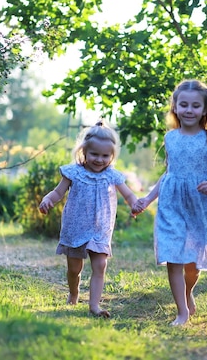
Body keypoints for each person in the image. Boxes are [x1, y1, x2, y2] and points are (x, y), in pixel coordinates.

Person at [133, 79, 207, 326]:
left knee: (192, 265)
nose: (189, 110)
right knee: (174, 256)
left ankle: (188, 291)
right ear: (175, 108)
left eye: (195, 106)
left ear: (204, 110)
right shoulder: (170, 137)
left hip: (199, 204)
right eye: (184, 105)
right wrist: (148, 198)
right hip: (172, 204)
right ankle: (182, 311)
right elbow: (169, 174)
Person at [39, 120, 138, 318]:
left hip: (101, 228)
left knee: (100, 265)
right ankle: (73, 293)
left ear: (112, 156)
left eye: (105, 156)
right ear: (83, 151)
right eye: (94, 154)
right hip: (76, 226)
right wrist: (48, 199)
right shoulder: (73, 173)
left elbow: (128, 195)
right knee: (74, 268)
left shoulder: (112, 176)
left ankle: (94, 305)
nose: (99, 160)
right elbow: (58, 192)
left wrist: (135, 204)